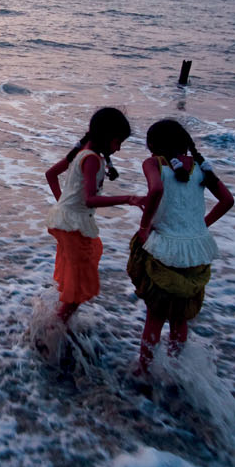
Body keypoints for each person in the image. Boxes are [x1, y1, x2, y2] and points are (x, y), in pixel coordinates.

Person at [126, 118, 234, 379]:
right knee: (179, 318)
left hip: (166, 249)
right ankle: (176, 370)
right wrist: (200, 225)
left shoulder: (154, 163)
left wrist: (144, 226)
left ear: (152, 145)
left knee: (155, 317)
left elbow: (156, 189)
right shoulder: (200, 167)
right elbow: (227, 200)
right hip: (196, 250)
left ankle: (144, 370)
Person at [43, 108, 145, 338]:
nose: (118, 149)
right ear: (107, 137)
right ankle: (51, 331)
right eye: (118, 142)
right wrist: (128, 199)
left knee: (85, 262)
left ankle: (56, 322)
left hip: (65, 221)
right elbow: (90, 199)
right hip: (72, 224)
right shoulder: (92, 159)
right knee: (79, 286)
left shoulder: (81, 152)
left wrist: (64, 206)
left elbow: (50, 174)